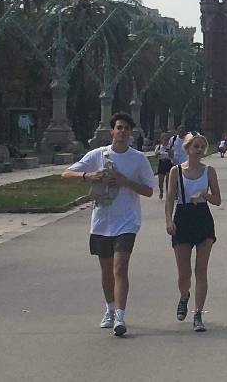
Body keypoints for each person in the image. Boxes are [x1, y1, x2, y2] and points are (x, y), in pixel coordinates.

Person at [61, 112, 155, 337]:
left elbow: (149, 190)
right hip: (102, 222)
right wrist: (89, 175)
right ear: (112, 130)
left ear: (130, 133)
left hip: (127, 222)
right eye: (119, 128)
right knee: (106, 272)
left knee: (120, 267)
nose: (122, 132)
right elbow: (66, 174)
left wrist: (126, 182)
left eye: (126, 128)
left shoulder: (138, 159)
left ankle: (120, 317)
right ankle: (110, 309)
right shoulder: (97, 155)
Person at [165, 132, 221, 332]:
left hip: (202, 218)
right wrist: (168, 220)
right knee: (184, 273)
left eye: (201, 147)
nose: (198, 150)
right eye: (195, 146)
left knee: (201, 270)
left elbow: (218, 199)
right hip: (183, 217)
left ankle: (198, 313)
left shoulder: (209, 171)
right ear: (187, 148)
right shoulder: (176, 171)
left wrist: (204, 194)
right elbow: (170, 198)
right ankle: (184, 295)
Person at [155, 134, 173, 200]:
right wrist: (157, 153)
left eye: (167, 140)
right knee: (160, 181)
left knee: (168, 180)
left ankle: (168, 194)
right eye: (164, 140)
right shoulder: (158, 147)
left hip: (168, 163)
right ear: (161, 140)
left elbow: (172, 156)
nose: (165, 141)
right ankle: (161, 190)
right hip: (161, 164)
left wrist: (170, 152)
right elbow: (155, 157)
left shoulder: (170, 147)